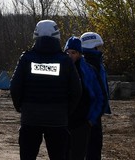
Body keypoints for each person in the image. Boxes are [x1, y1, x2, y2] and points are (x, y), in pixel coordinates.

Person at [10, 20, 82, 160]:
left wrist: (21, 107)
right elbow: (77, 90)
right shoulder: (65, 60)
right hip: (57, 119)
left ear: (35, 35)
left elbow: (15, 86)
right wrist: (66, 111)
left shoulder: (26, 58)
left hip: (30, 118)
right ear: (57, 36)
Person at [64, 36, 104, 160]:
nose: (70, 55)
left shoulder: (89, 71)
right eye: (67, 52)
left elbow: (99, 97)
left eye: (73, 53)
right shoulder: (61, 69)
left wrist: (91, 120)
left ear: (80, 54)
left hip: (81, 123)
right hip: (63, 122)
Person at [80, 31, 111, 160]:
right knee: (93, 150)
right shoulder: (93, 64)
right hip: (92, 114)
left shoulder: (85, 63)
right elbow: (99, 93)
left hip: (88, 114)